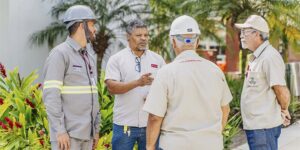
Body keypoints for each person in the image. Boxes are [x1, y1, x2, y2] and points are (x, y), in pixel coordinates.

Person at [143, 15, 232, 150]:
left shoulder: (166, 73)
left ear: (173, 42)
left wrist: (149, 147)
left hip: (175, 145)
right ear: (197, 42)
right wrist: (213, 135)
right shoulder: (215, 70)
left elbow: (155, 117)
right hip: (211, 145)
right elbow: (225, 108)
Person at [43, 5, 100, 150]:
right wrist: (60, 130)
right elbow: (51, 96)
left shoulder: (90, 57)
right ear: (82, 26)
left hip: (87, 136)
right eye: (92, 24)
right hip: (67, 138)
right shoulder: (59, 54)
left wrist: (96, 129)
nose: (95, 30)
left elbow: (94, 96)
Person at [105, 19, 165, 150]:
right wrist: (138, 83)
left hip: (151, 124)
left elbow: (166, 88)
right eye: (139, 35)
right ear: (128, 37)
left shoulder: (158, 60)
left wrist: (155, 97)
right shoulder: (117, 59)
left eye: (146, 35)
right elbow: (111, 87)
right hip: (124, 125)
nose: (143, 38)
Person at [235, 15, 291, 150]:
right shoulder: (257, 57)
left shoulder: (269, 57)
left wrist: (283, 109)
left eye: (245, 32)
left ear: (257, 34)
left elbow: (281, 90)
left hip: (263, 130)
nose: (241, 36)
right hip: (257, 129)